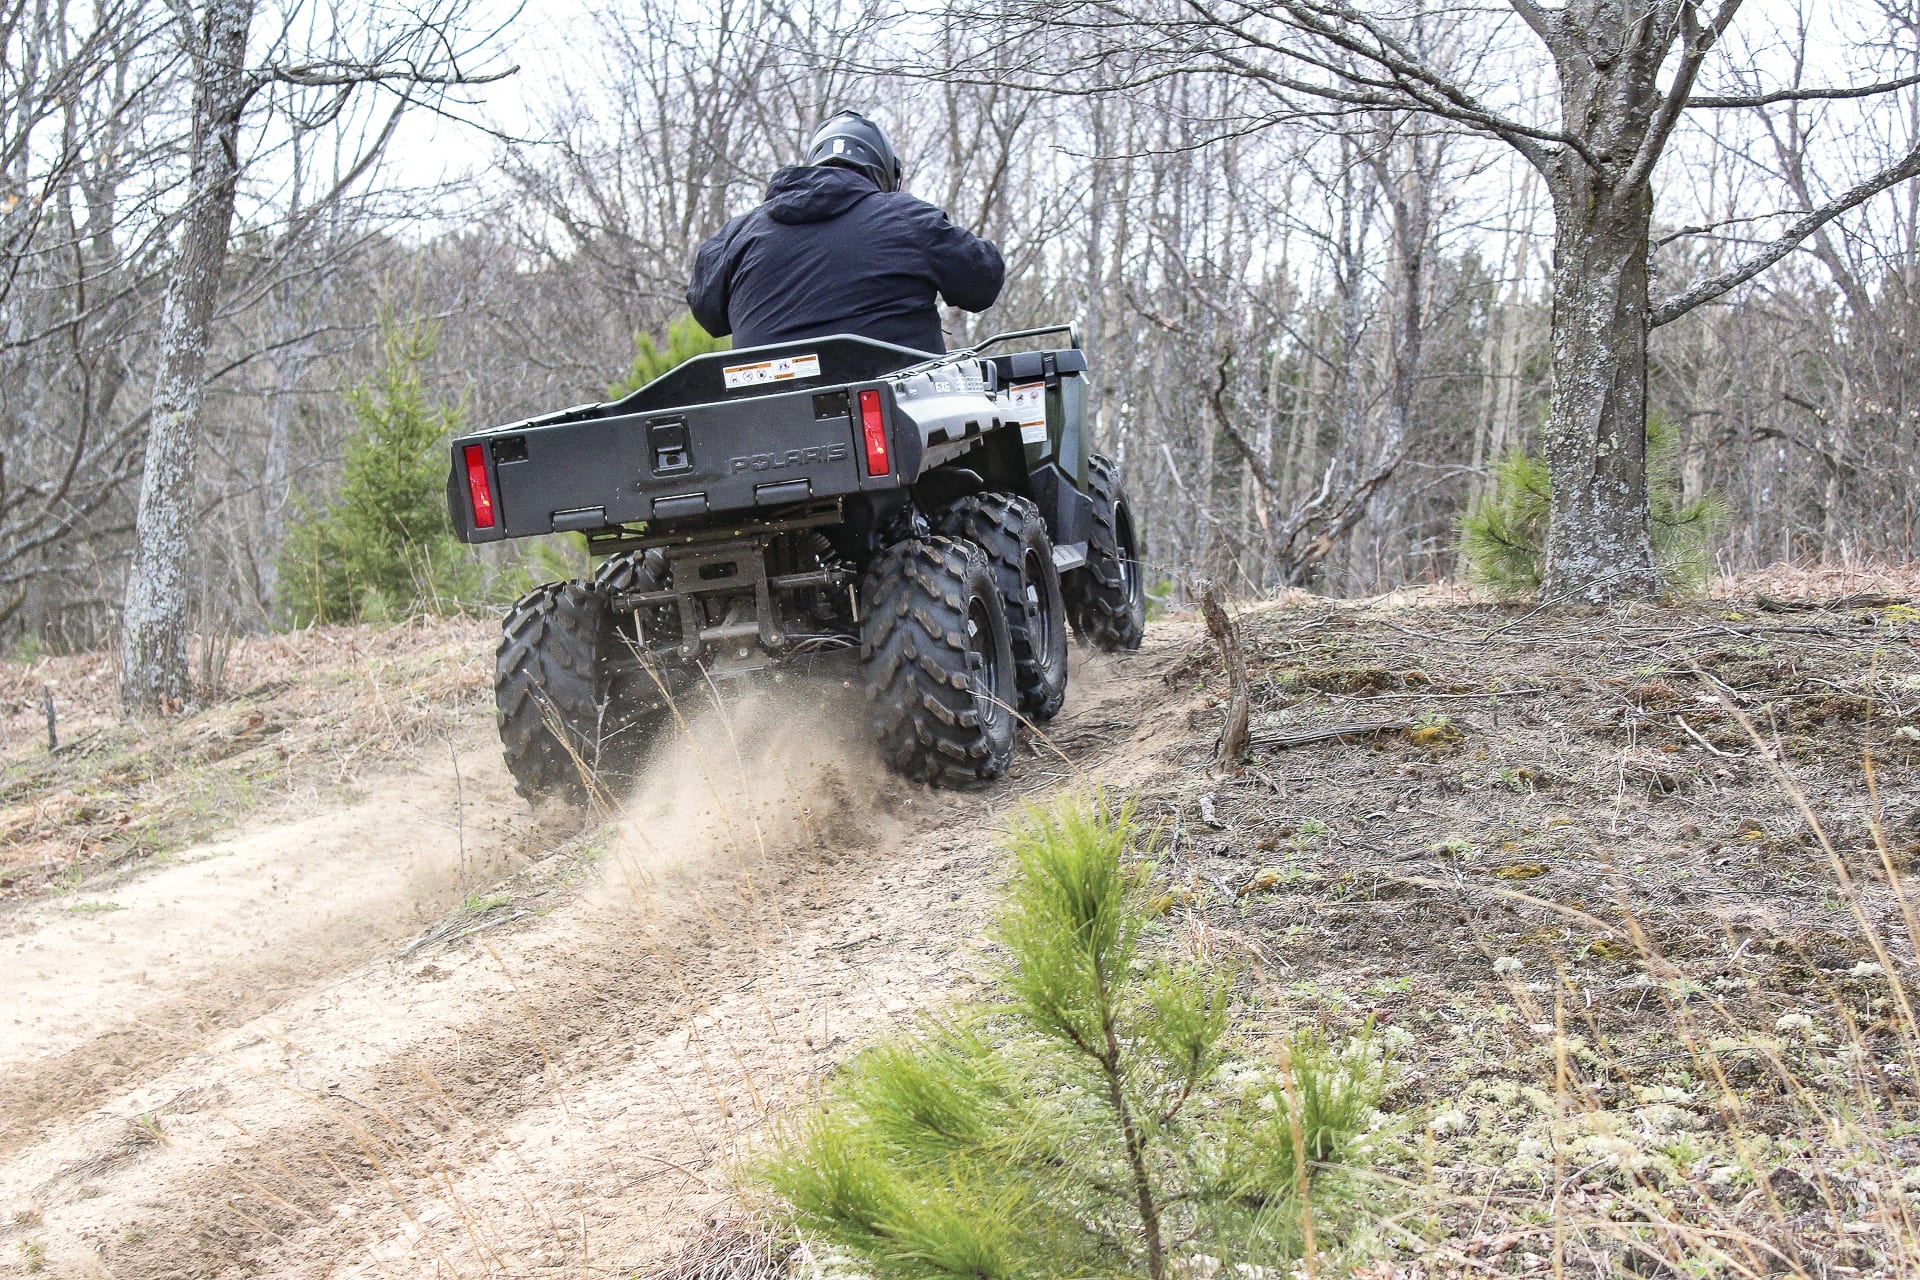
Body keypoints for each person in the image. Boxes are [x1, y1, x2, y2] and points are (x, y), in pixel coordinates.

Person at [687, 111, 1005, 355]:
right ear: (884, 171)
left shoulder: (738, 235)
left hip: (767, 418)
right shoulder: (907, 219)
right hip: (897, 411)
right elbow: (982, 281)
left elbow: (708, 313)